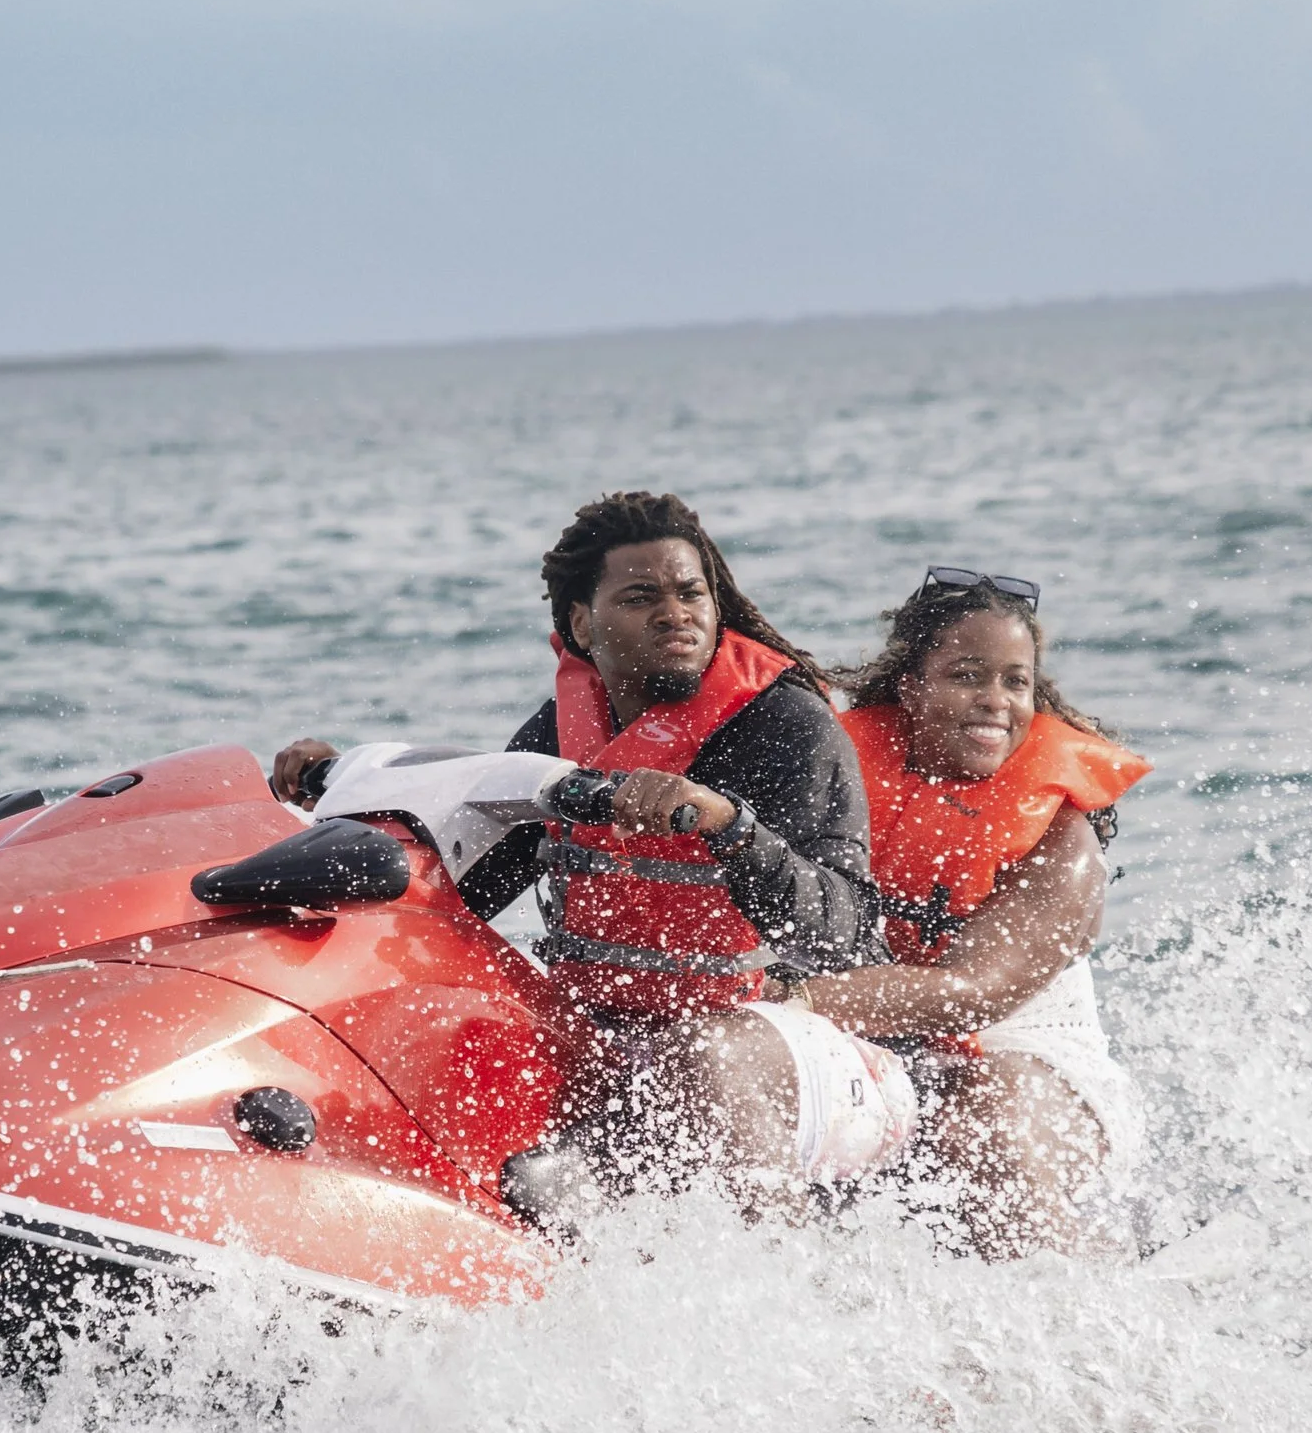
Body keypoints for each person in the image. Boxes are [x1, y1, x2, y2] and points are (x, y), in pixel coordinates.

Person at [270, 490, 892, 1206]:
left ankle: (764, 1297)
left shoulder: (786, 728)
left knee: (699, 1062)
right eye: (640, 597)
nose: (675, 613)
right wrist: (342, 800)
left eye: (692, 593)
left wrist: (732, 829)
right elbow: (464, 890)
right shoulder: (564, 730)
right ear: (581, 624)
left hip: (809, 1046)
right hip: (615, 1036)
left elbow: (845, 931)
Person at [656, 571, 1149, 1254]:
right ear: (911, 688)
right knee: (715, 1053)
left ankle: (1075, 1309)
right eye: (967, 675)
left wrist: (793, 997)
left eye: (1015, 681)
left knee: (984, 1120)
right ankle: (781, 1298)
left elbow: (970, 994)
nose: (996, 701)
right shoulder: (835, 778)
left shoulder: (1067, 843)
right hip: (876, 1050)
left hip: (1026, 1060)